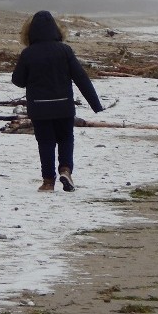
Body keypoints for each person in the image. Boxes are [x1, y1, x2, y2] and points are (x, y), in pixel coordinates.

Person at [11, 11, 103, 192]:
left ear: (29, 32)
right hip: (64, 105)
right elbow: (81, 77)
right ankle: (66, 170)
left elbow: (18, 81)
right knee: (66, 137)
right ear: (56, 30)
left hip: (39, 107)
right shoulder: (65, 50)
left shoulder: (28, 53)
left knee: (45, 142)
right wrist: (95, 104)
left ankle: (47, 182)